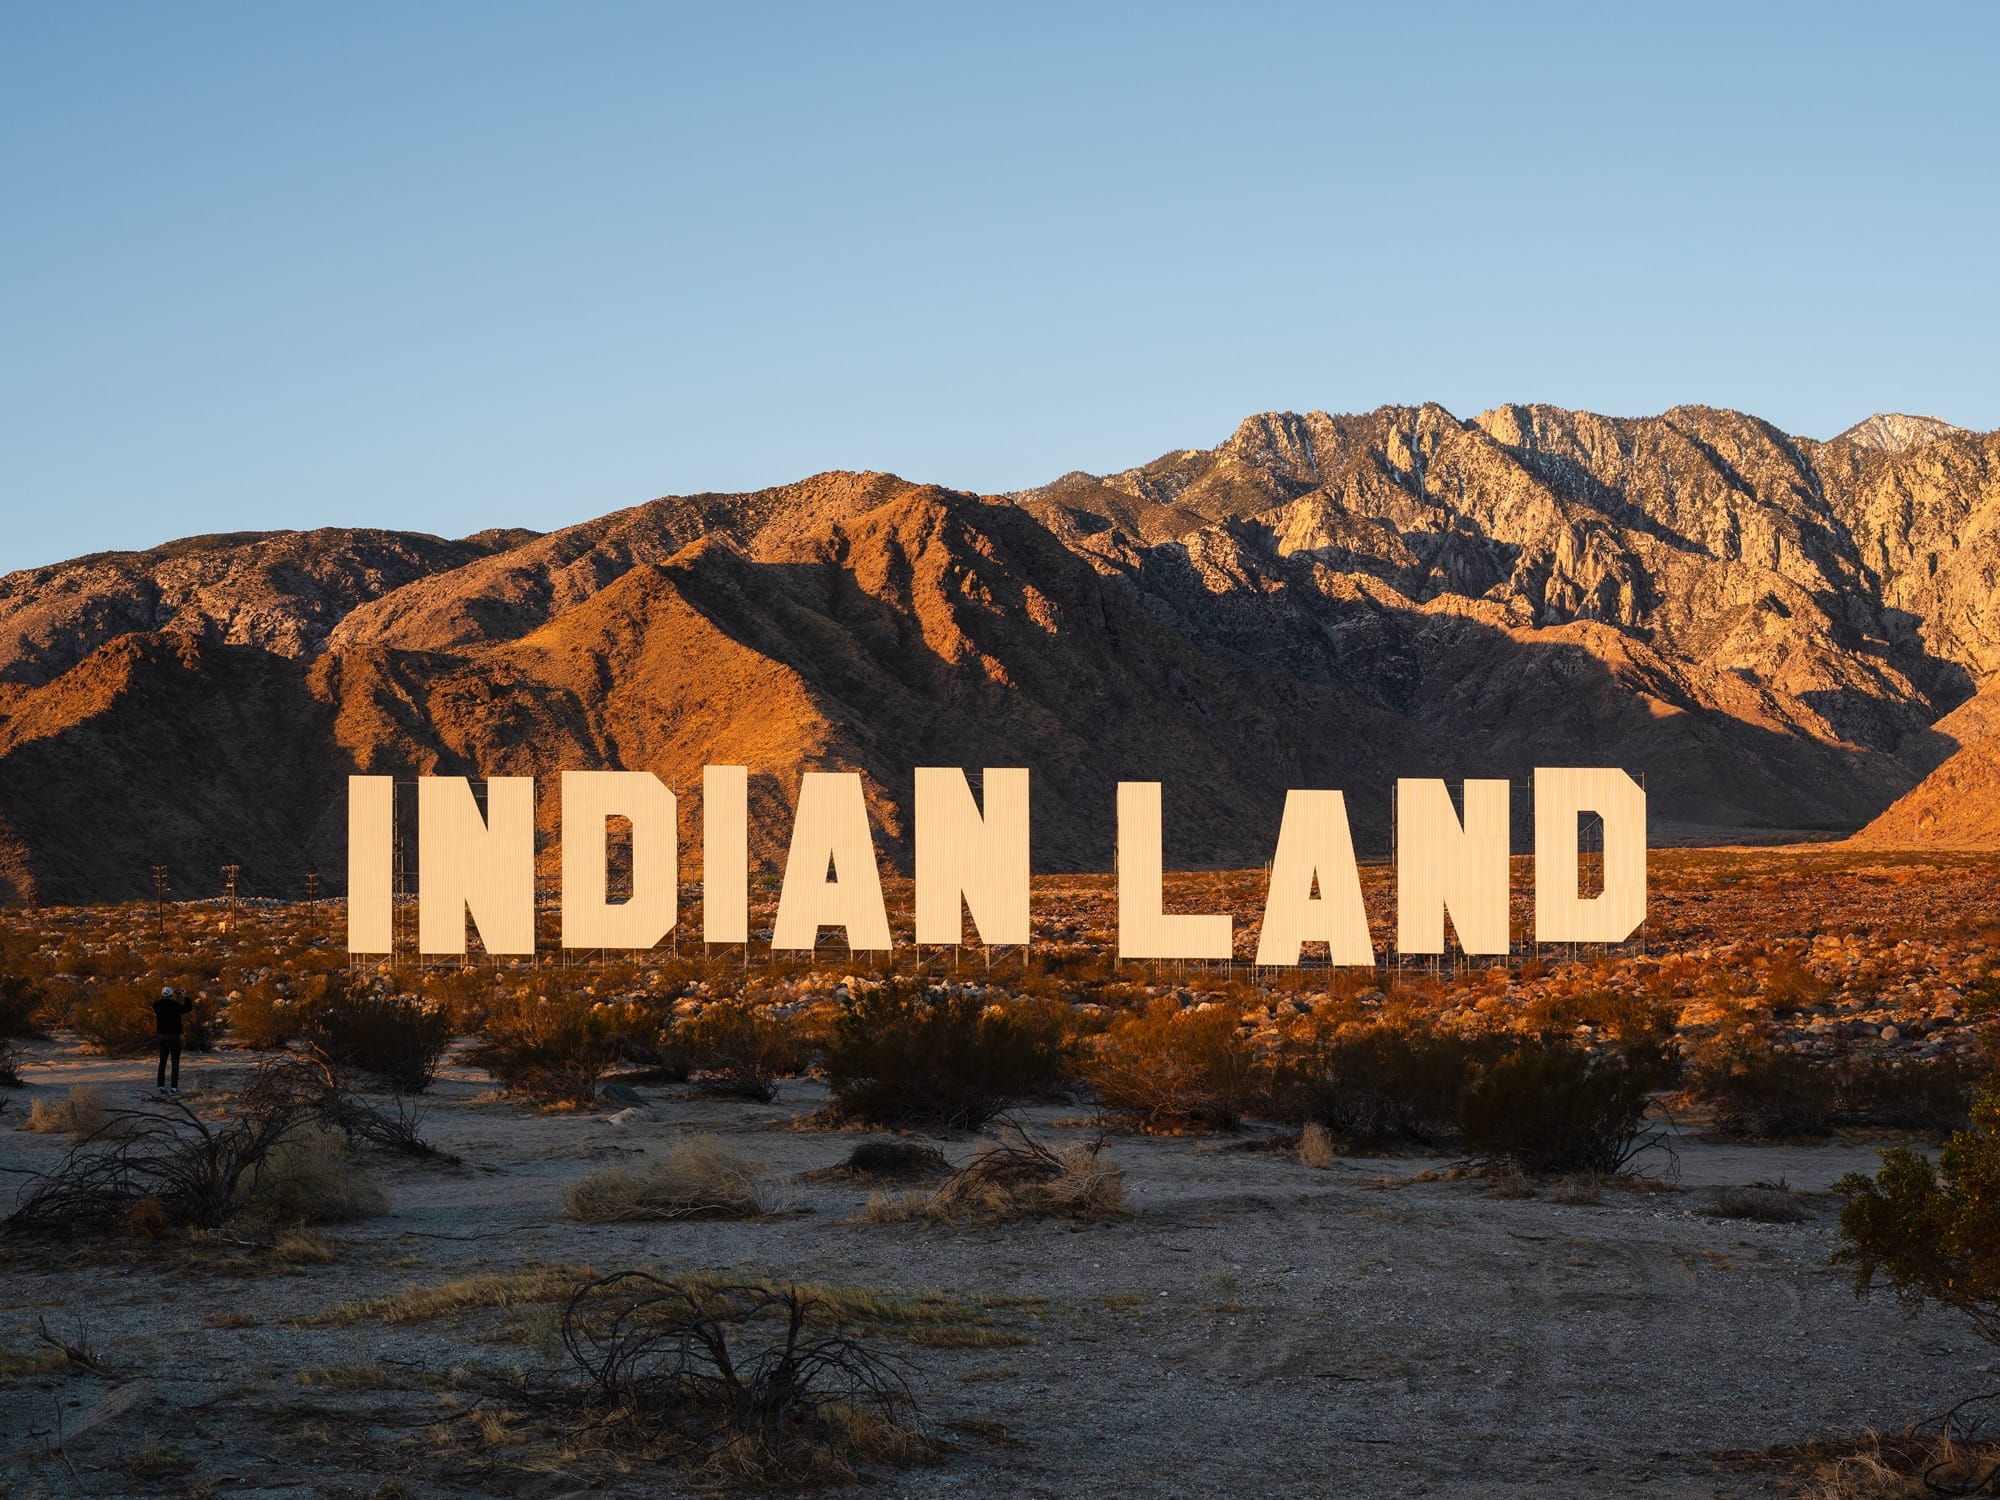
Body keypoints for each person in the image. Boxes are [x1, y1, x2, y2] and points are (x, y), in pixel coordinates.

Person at [154, 985, 195, 1093]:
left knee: (162, 1062)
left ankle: (161, 1085)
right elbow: (188, 1008)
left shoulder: (157, 1006)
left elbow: (159, 1002)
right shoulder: (175, 1006)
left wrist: (170, 994)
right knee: (175, 1063)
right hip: (174, 1037)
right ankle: (174, 1087)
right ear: (171, 995)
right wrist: (184, 996)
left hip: (162, 1037)